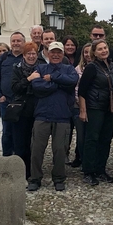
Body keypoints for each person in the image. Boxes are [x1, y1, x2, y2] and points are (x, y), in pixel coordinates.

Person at [28, 42, 79, 192]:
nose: (55, 55)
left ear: (63, 54)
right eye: (52, 52)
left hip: (62, 115)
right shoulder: (40, 68)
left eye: (58, 52)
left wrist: (53, 78)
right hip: (42, 115)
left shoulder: (69, 69)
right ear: (48, 54)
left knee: (60, 150)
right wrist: (59, 83)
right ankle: (35, 178)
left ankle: (59, 178)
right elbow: (37, 86)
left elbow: (72, 81)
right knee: (37, 149)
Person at [78, 39, 113, 186]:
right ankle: (88, 171)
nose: (103, 51)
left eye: (105, 48)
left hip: (109, 107)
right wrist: (83, 111)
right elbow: (82, 90)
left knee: (106, 138)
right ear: (94, 53)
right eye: (100, 49)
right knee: (92, 138)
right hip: (94, 106)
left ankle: (100, 168)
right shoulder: (91, 67)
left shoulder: (111, 65)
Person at [0, 32, 26, 157]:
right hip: (6, 101)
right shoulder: (3, 58)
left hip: (22, 101)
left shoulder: (27, 57)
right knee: (7, 131)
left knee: (21, 131)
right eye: (14, 41)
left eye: (18, 41)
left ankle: (20, 158)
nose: (16, 43)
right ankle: (6, 157)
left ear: (23, 42)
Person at [8, 42, 40, 178]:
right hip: (21, 109)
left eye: (33, 53)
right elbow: (15, 88)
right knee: (20, 142)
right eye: (28, 54)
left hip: (37, 108)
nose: (31, 56)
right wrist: (28, 79)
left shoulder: (41, 68)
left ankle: (34, 171)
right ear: (24, 55)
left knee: (35, 142)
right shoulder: (17, 68)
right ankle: (22, 172)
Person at [67, 39, 89, 169]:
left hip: (95, 106)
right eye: (86, 52)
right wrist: (80, 103)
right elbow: (75, 88)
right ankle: (83, 160)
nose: (88, 54)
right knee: (81, 136)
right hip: (78, 106)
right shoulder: (77, 69)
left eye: (90, 52)